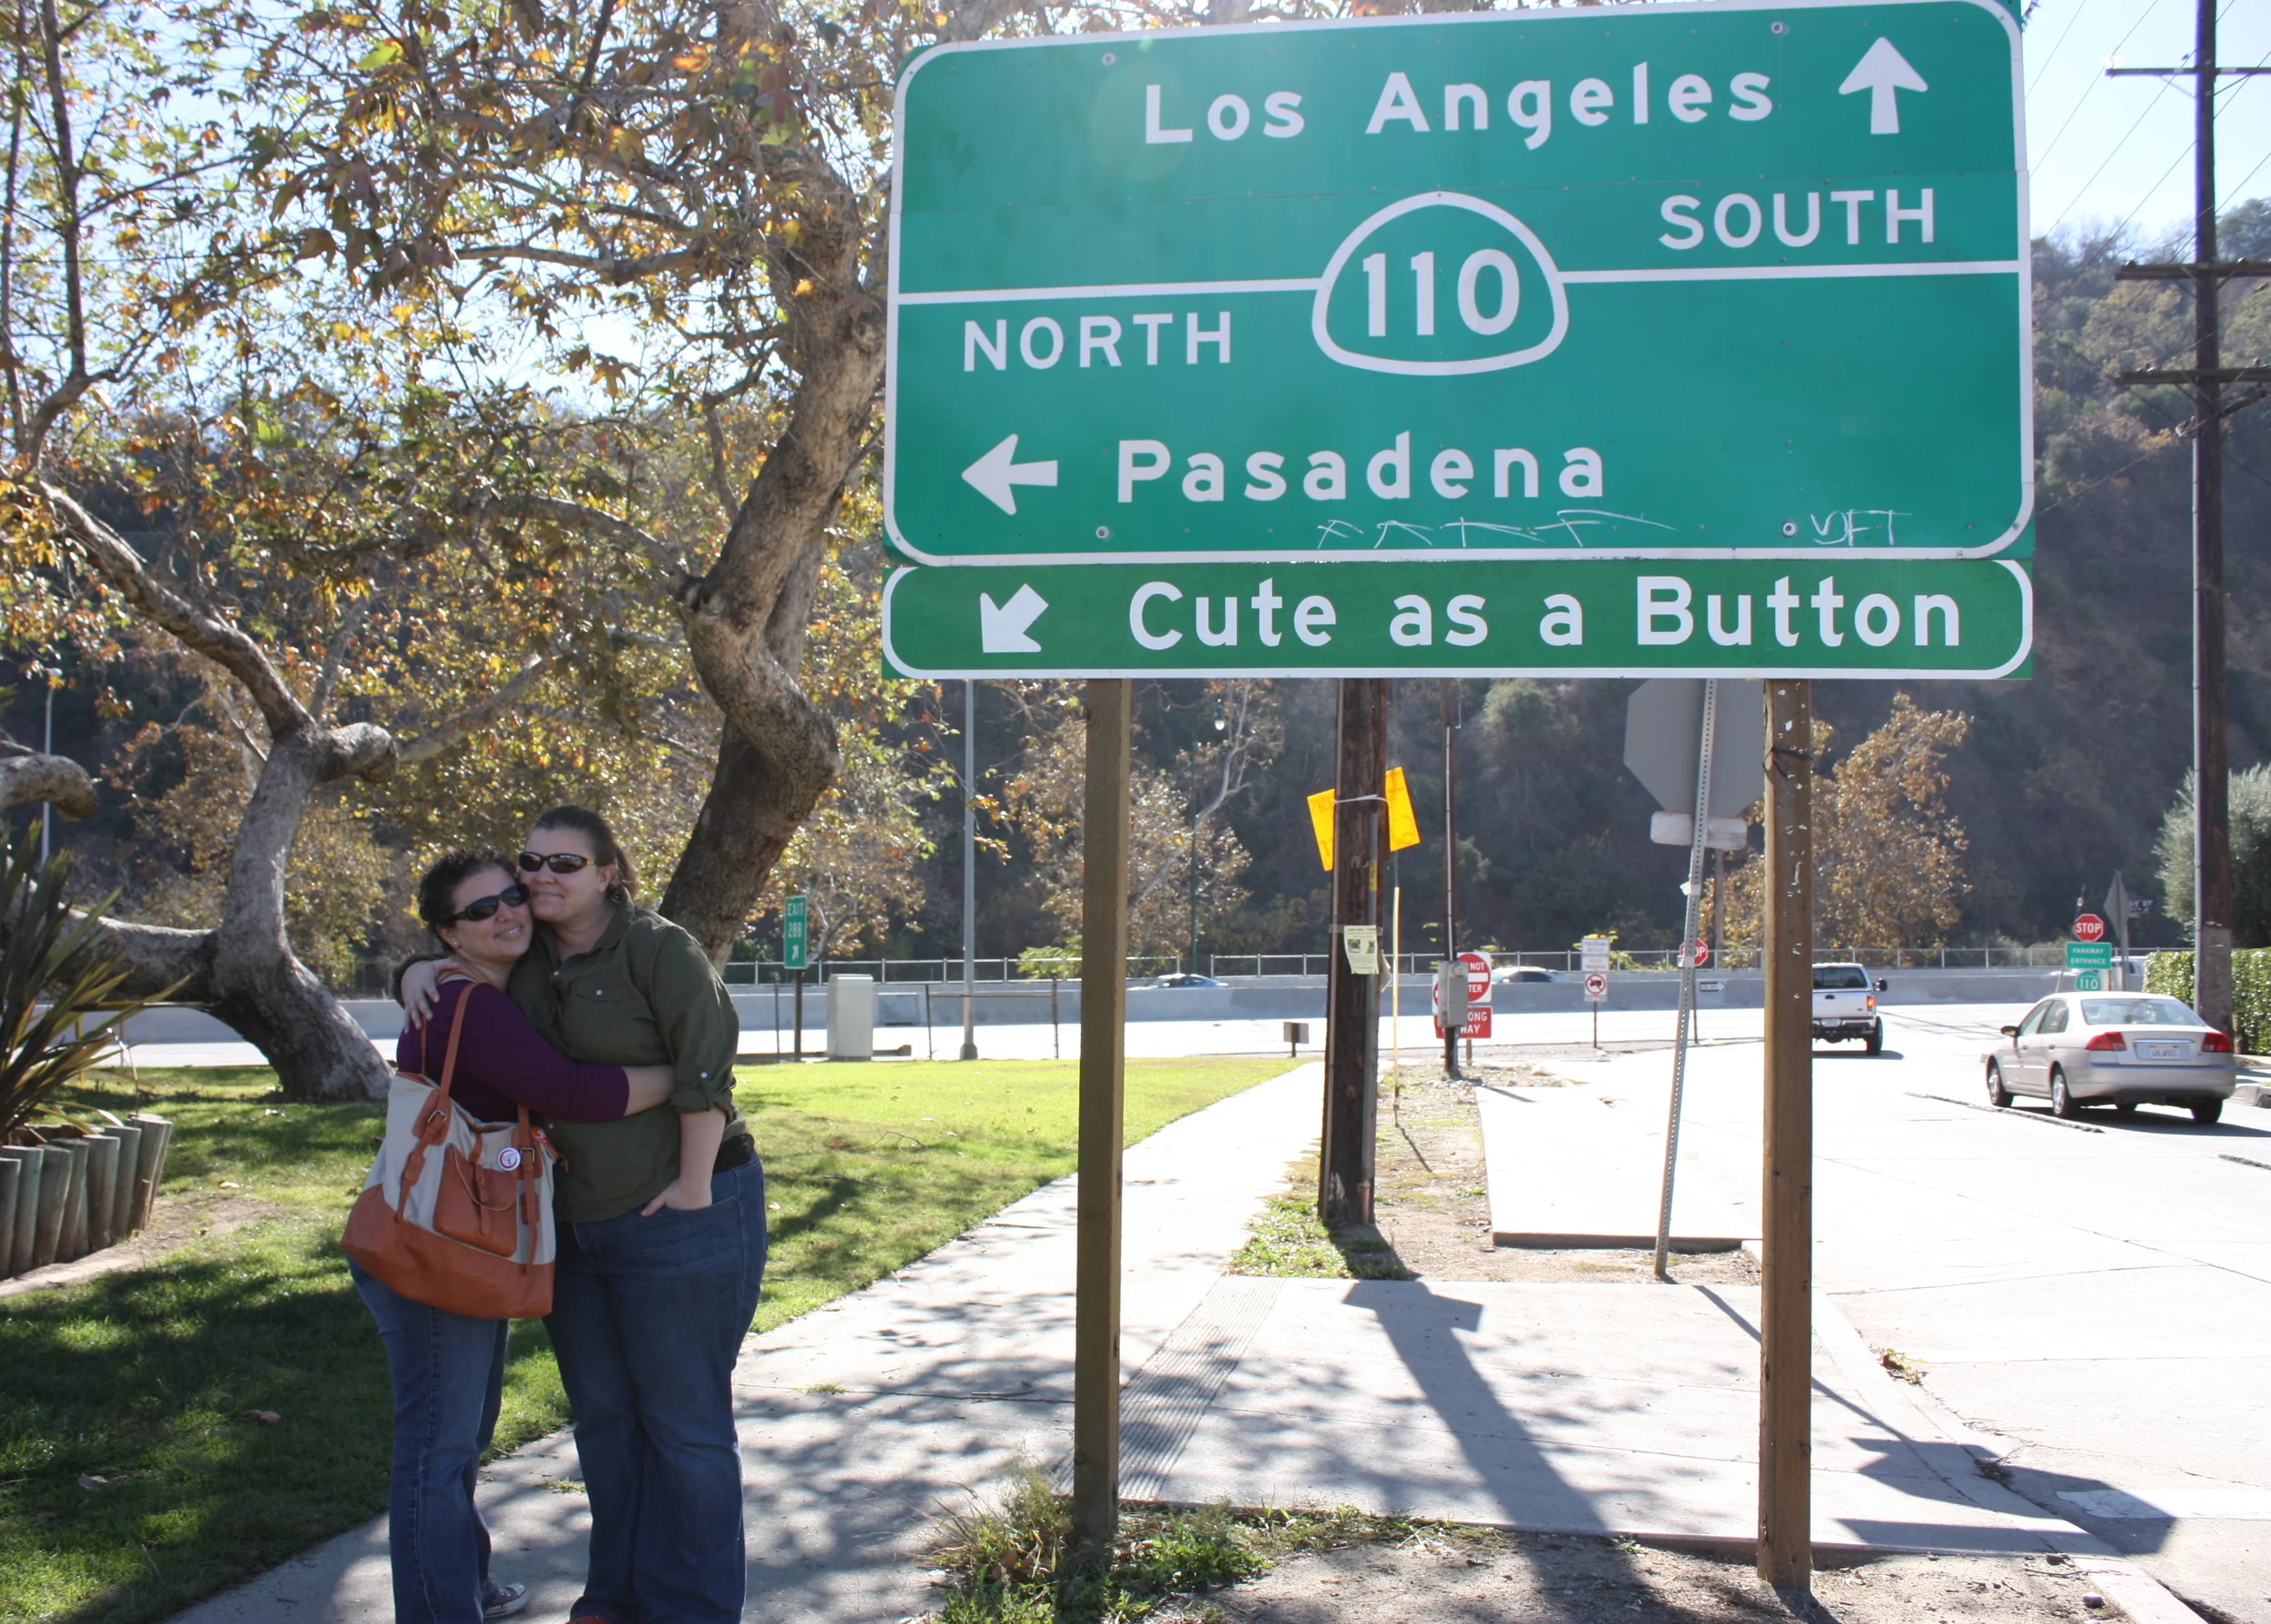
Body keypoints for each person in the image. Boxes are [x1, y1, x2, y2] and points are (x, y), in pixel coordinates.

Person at [401, 807, 762, 1624]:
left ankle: (692, 1608)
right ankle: (616, 1597)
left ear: (608, 874)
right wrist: (414, 971)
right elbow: (461, 959)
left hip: (680, 1210)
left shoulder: (660, 951)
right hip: (570, 1226)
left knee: (685, 1426)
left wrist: (695, 1187)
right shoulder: (522, 957)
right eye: (532, 861)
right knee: (604, 1419)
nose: (540, 878)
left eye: (566, 863)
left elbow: (708, 1073)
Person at [356, 848, 683, 1624]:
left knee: (458, 1439)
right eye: (479, 910)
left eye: (510, 897)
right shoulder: (475, 1006)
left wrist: (513, 1158)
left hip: (455, 1236)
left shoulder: (468, 992)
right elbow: (567, 1092)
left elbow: (495, 1142)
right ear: (449, 933)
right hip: (432, 1253)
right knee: (436, 1450)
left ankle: (461, 1585)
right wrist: (684, 1075)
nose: (505, 912)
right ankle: (440, 1610)